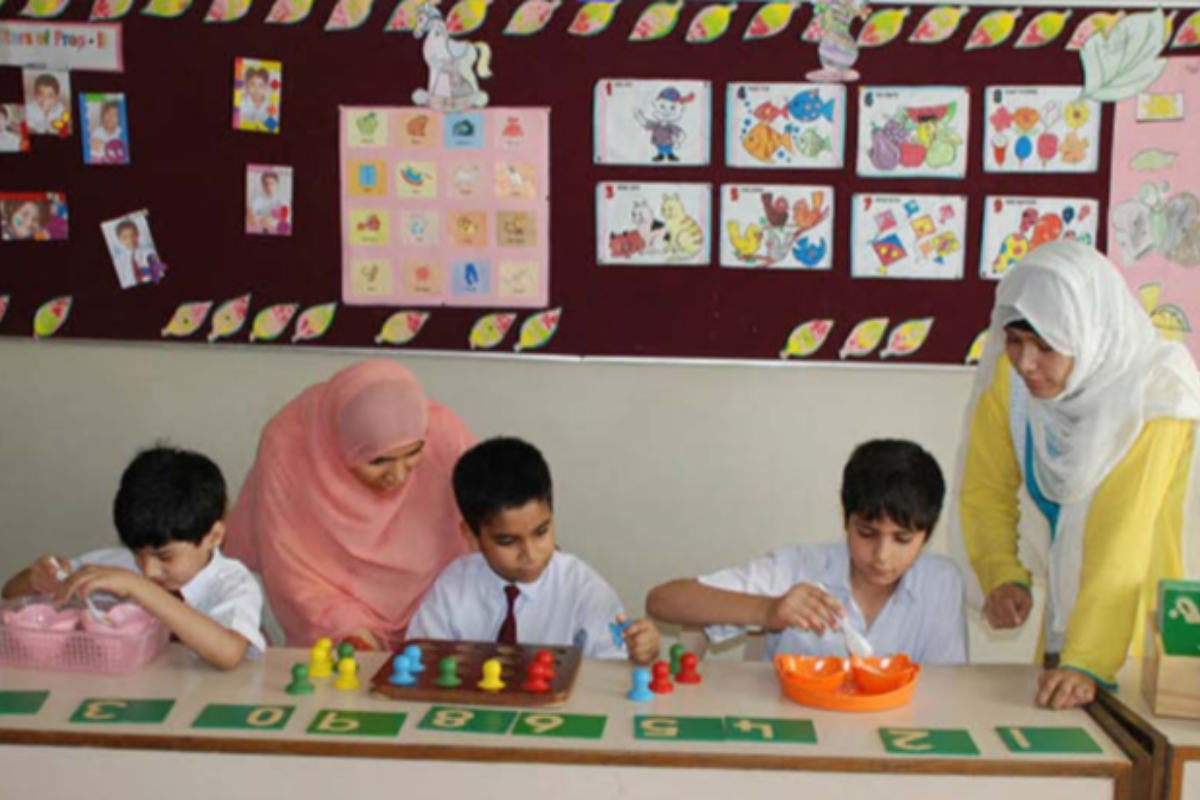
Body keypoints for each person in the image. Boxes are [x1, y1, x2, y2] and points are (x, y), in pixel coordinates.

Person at [953, 240, 1200, 710]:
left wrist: (1086, 659)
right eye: (1015, 340)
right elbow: (985, 488)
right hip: (1067, 630)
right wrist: (1002, 572)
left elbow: (1122, 535)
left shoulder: (1156, 389)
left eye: (1047, 346)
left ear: (1090, 334)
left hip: (1136, 641)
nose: (1026, 363)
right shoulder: (1014, 385)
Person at [224, 360, 476, 651]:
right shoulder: (290, 447)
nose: (398, 475)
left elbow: (484, 534)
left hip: (436, 605)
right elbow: (293, 570)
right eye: (378, 461)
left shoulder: (444, 435)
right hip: (333, 611)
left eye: (413, 454)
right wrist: (350, 633)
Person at [647, 439, 967, 664]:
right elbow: (663, 601)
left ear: (927, 534)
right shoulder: (798, 569)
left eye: (902, 539)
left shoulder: (941, 583)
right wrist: (768, 611)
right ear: (845, 520)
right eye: (867, 533)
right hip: (799, 741)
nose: (882, 556)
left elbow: (948, 691)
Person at [2, 447, 265, 670]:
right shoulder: (117, 565)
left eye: (165, 556)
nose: (149, 570)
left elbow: (228, 654)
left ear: (214, 536)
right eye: (139, 555)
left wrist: (139, 588)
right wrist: (40, 576)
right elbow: (10, 591)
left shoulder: (233, 583)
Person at [409, 437, 661, 663]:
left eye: (541, 532)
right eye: (507, 541)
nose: (530, 554)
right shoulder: (453, 588)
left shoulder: (584, 589)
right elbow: (419, 660)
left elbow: (612, 666)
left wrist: (639, 651)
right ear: (471, 536)